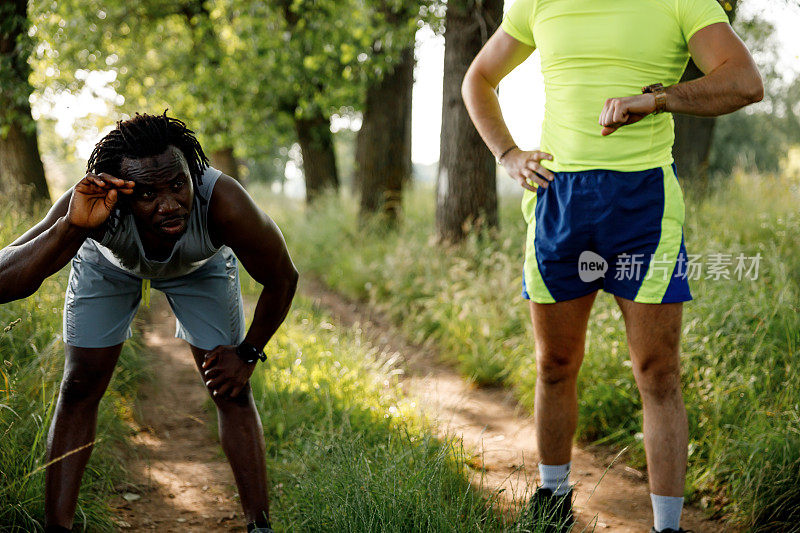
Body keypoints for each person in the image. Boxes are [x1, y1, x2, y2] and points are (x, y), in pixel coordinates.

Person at [461, 1, 762, 532]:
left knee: (658, 372)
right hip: (560, 200)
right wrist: (507, 153)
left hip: (643, 203)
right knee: (555, 363)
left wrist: (657, 100)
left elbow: (743, 81)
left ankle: (667, 526)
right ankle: (552, 500)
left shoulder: (682, 0)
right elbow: (479, 78)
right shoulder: (537, 1)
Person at [0, 112, 298, 533]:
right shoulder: (90, 204)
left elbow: (284, 277)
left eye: (178, 184)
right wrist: (71, 227)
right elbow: (8, 277)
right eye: (147, 193)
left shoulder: (224, 202)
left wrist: (248, 352)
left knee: (232, 389)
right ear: (119, 192)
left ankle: (260, 526)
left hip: (201, 268)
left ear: (192, 173)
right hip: (109, 267)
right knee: (79, 384)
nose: (169, 204)